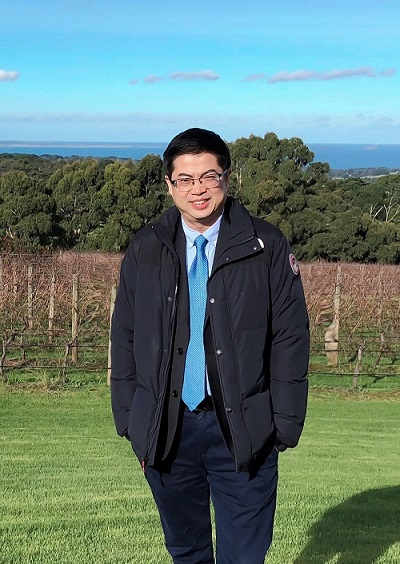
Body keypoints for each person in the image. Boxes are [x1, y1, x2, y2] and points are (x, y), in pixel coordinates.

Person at [110, 127, 309, 563]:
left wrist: (284, 424)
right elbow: (124, 335)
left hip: (243, 430)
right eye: (185, 179)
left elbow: (290, 337)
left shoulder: (265, 246)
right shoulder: (146, 248)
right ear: (169, 184)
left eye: (208, 176)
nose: (197, 189)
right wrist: (129, 420)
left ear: (226, 178)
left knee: (245, 555)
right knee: (186, 550)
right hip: (166, 430)